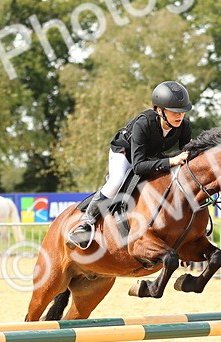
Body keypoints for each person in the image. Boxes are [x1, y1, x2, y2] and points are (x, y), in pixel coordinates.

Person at [67, 81, 194, 249]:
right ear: (159, 110)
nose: (180, 116)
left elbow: (187, 157)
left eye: (182, 112)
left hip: (151, 155)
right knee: (117, 180)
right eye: (174, 112)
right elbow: (138, 166)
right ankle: (85, 223)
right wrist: (170, 161)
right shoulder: (144, 124)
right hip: (125, 154)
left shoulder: (183, 127)